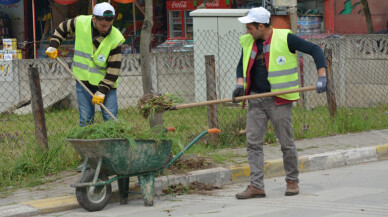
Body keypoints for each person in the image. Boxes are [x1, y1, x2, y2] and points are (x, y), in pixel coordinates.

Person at [232, 7, 327, 199]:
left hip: (279, 99)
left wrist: (322, 76)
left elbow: (315, 49)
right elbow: (241, 65)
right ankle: (256, 186)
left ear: (261, 26)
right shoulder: (249, 41)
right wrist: (240, 84)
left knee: (286, 143)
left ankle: (292, 181)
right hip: (256, 99)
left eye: (250, 28)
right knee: (253, 144)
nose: (247, 32)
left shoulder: (285, 38)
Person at [46, 2, 125, 127]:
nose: (106, 29)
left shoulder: (116, 38)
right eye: (103, 25)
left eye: (109, 25)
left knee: (111, 121)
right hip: (83, 81)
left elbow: (114, 70)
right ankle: (88, 146)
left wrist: (102, 91)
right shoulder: (81, 22)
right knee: (86, 120)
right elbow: (62, 28)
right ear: (94, 19)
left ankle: (114, 146)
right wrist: (53, 45)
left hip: (107, 86)